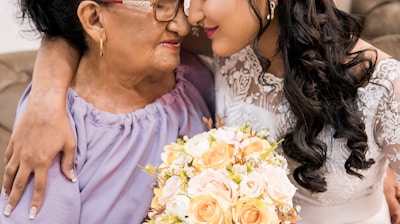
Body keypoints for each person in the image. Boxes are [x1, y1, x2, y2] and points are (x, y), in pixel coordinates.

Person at [2, 0, 400, 223]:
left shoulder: (383, 84)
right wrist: (44, 100)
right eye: (172, 2)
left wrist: (366, 168)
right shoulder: (223, 51)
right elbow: (70, 20)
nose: (187, 18)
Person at [0, 0, 214, 222]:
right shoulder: (54, 126)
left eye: (182, 2)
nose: (183, 26)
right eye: (160, 6)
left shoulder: (192, 76)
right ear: (94, 19)